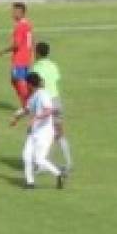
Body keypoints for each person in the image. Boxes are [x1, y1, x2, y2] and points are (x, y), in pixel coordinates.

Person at [10, 72, 65, 190]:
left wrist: (36, 118)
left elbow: (49, 110)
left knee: (39, 159)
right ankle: (30, 183)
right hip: (34, 132)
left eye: (26, 83)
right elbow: (27, 110)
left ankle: (59, 174)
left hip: (44, 133)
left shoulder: (43, 95)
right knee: (26, 156)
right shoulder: (33, 96)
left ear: (30, 84)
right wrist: (16, 118)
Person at [31, 41, 71, 170]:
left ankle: (42, 163)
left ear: (37, 53)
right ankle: (68, 162)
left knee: (41, 133)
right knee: (59, 132)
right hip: (56, 100)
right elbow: (56, 80)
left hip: (45, 103)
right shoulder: (53, 65)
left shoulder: (36, 68)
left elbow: (35, 87)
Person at [0, 2, 34, 110]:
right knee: (17, 80)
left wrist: (3, 51)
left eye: (14, 11)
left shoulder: (20, 26)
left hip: (19, 59)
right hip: (26, 57)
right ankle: (27, 103)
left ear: (21, 12)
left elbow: (16, 45)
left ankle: (27, 105)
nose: (12, 13)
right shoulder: (27, 24)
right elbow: (31, 40)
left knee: (19, 81)